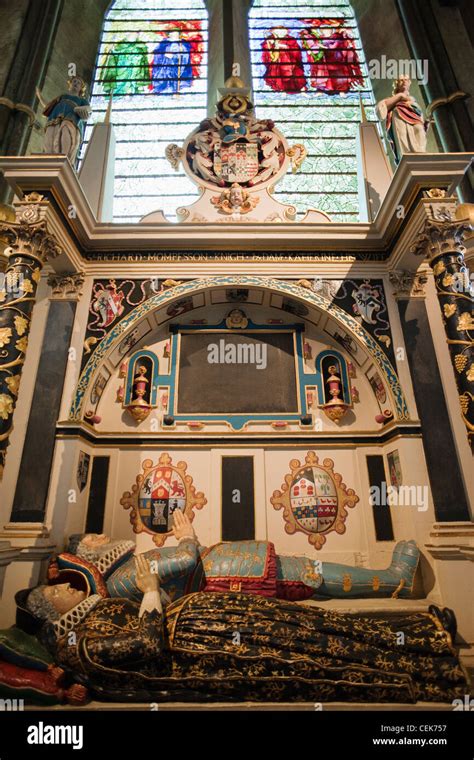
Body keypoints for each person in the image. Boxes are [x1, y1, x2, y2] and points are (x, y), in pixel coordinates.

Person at [17, 554, 468, 704]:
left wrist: (160, 595)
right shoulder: (78, 646)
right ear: (53, 613)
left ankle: (423, 629)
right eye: (56, 593)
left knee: (325, 624)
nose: (66, 590)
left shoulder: (89, 621)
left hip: (219, 622)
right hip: (213, 648)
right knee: (323, 651)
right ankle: (429, 667)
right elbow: (147, 643)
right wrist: (152, 591)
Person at [65, 512, 421, 604]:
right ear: (90, 554)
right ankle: (395, 581)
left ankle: (391, 581)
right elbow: (185, 563)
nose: (104, 537)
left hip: (224, 567)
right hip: (222, 575)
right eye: (95, 539)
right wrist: (187, 536)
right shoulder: (120, 578)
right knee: (308, 576)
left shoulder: (120, 574)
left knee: (307, 579)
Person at [37, 76, 91, 165]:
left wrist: (82, 110)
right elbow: (48, 106)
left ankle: (64, 158)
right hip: (54, 119)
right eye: (74, 81)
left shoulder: (82, 100)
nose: (76, 83)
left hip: (71, 120)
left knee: (66, 133)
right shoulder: (62, 97)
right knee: (50, 138)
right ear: (70, 84)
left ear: (81, 88)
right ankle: (48, 159)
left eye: (78, 83)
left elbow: (88, 112)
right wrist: (40, 96)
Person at [377, 75, 429, 163]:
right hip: (399, 117)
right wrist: (400, 96)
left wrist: (426, 124)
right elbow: (382, 108)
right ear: (397, 84)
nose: (404, 82)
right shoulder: (393, 99)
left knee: (419, 131)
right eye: (401, 80)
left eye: (406, 80)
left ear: (409, 83)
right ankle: (406, 155)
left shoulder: (413, 101)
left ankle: (421, 153)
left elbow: (419, 114)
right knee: (402, 135)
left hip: (415, 119)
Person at [262, 27, 307, 94]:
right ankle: (282, 90)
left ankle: (302, 90)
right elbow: (267, 50)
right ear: (273, 31)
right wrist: (271, 44)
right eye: (278, 31)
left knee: (296, 75)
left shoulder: (291, 39)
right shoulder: (270, 39)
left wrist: (284, 46)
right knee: (278, 75)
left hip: (291, 62)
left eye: (283, 30)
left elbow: (296, 49)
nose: (281, 32)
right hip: (277, 63)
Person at [151, 30, 193, 95]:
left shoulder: (183, 43)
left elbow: (186, 54)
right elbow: (157, 52)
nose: (174, 35)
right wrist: (164, 54)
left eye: (176, 33)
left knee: (176, 76)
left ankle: (175, 91)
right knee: (165, 76)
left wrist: (177, 56)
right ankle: (159, 89)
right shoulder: (164, 42)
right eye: (172, 33)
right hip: (165, 64)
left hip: (178, 64)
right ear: (169, 34)